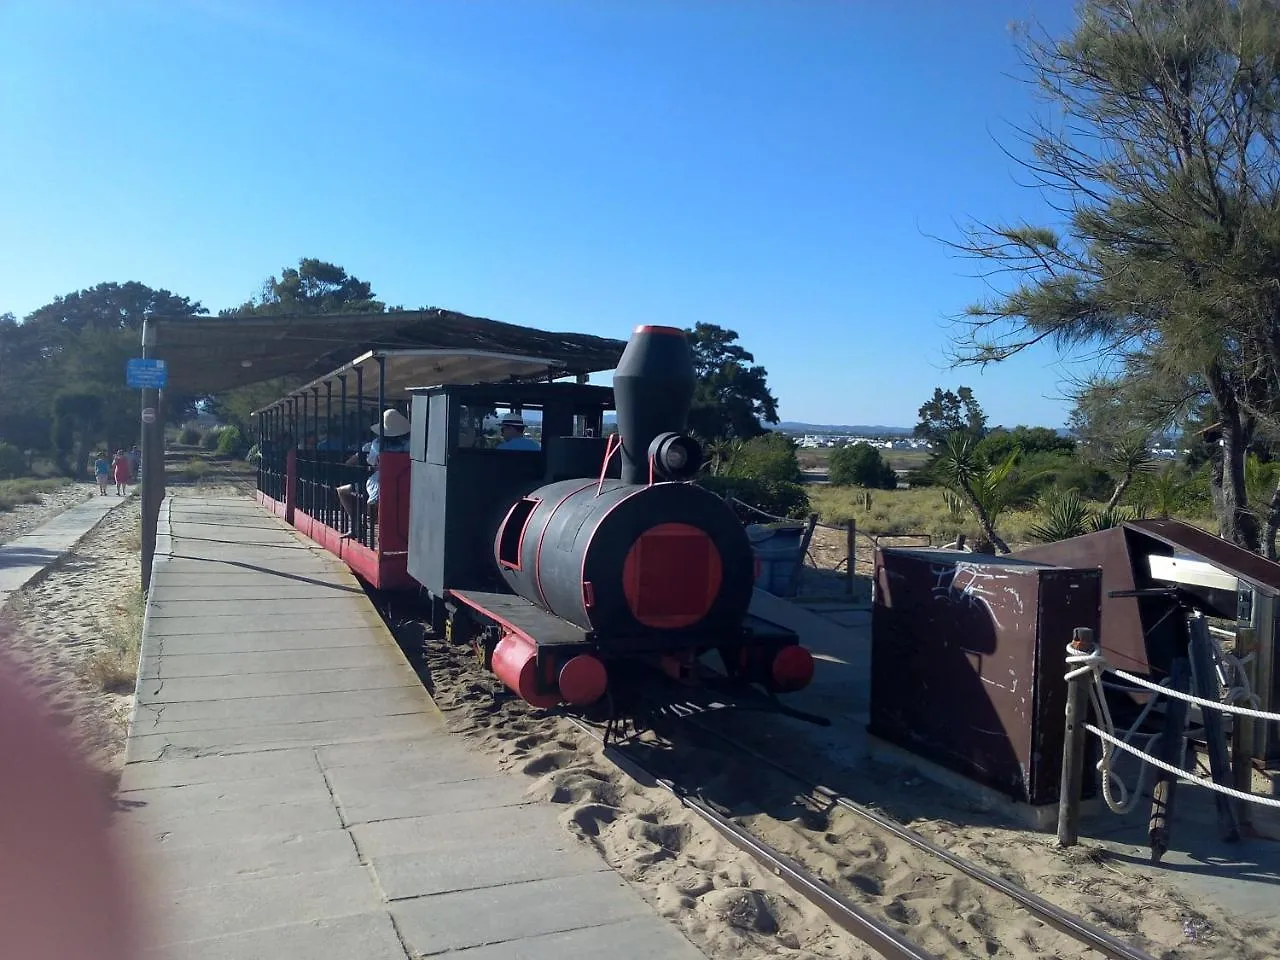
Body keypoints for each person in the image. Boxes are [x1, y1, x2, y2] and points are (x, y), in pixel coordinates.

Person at [337, 408, 410, 535]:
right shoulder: (410, 444)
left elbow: (371, 462)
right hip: (405, 480)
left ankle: (358, 526)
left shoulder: (377, 444)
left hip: (381, 479)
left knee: (342, 491)